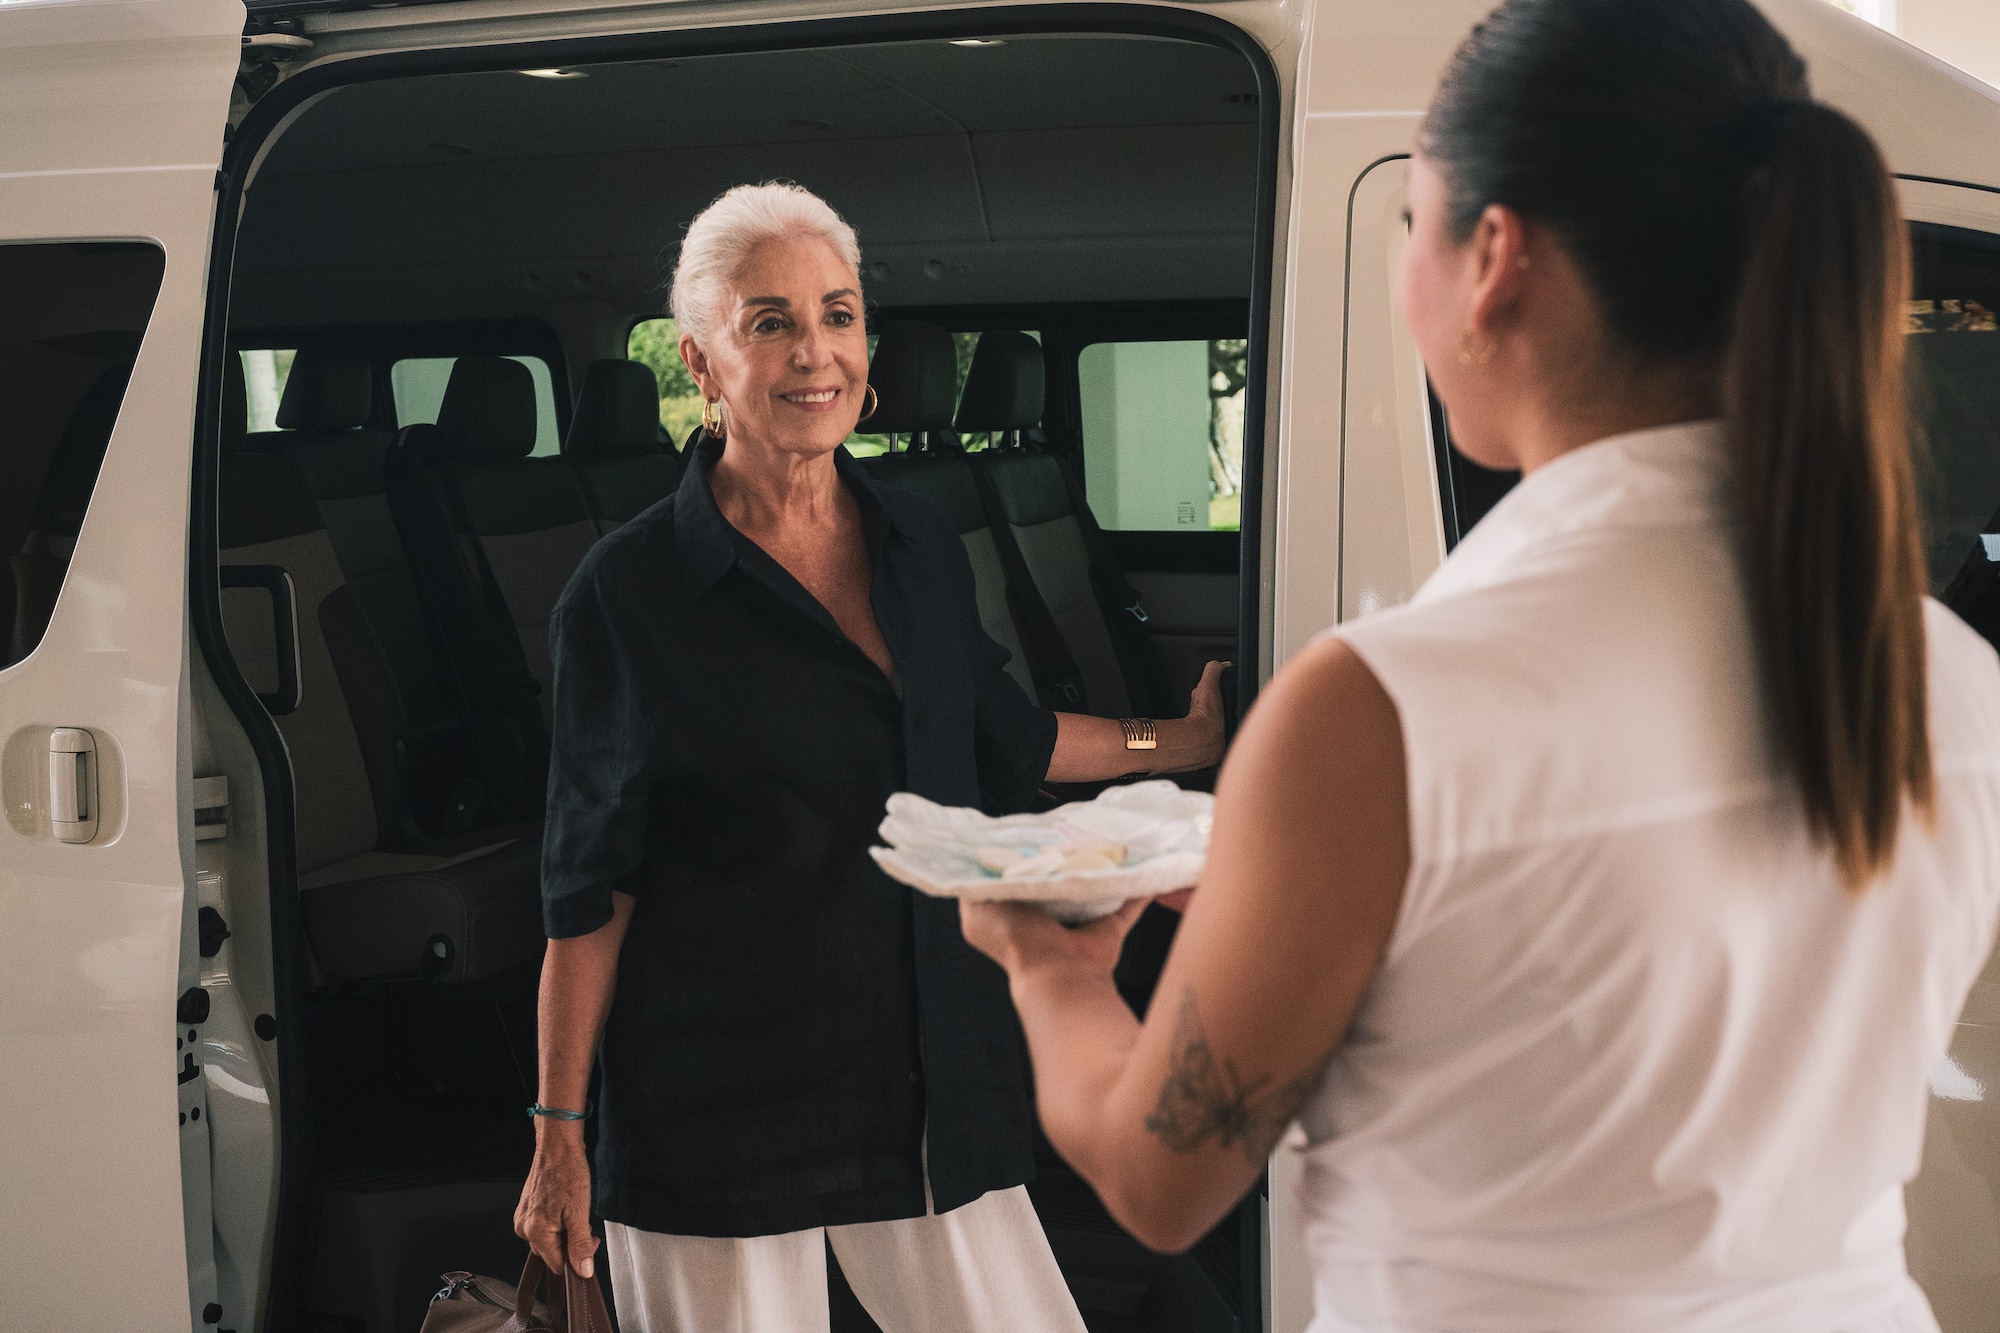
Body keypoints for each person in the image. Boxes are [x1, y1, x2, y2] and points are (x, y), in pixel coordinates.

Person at [961, 1, 2000, 1329]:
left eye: (1414, 225)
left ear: (1494, 259)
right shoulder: (1949, 678)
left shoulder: (1376, 715)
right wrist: (1308, 890)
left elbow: (1160, 1179)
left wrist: (1045, 967)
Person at [514, 181, 1227, 1333]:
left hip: (929, 1070)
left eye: (837, 315)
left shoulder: (918, 543)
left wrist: (1179, 740)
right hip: (717, 1102)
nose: (815, 352)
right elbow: (590, 887)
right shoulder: (627, 592)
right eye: (770, 322)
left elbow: (1011, 736)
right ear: (699, 363)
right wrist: (557, 1131)